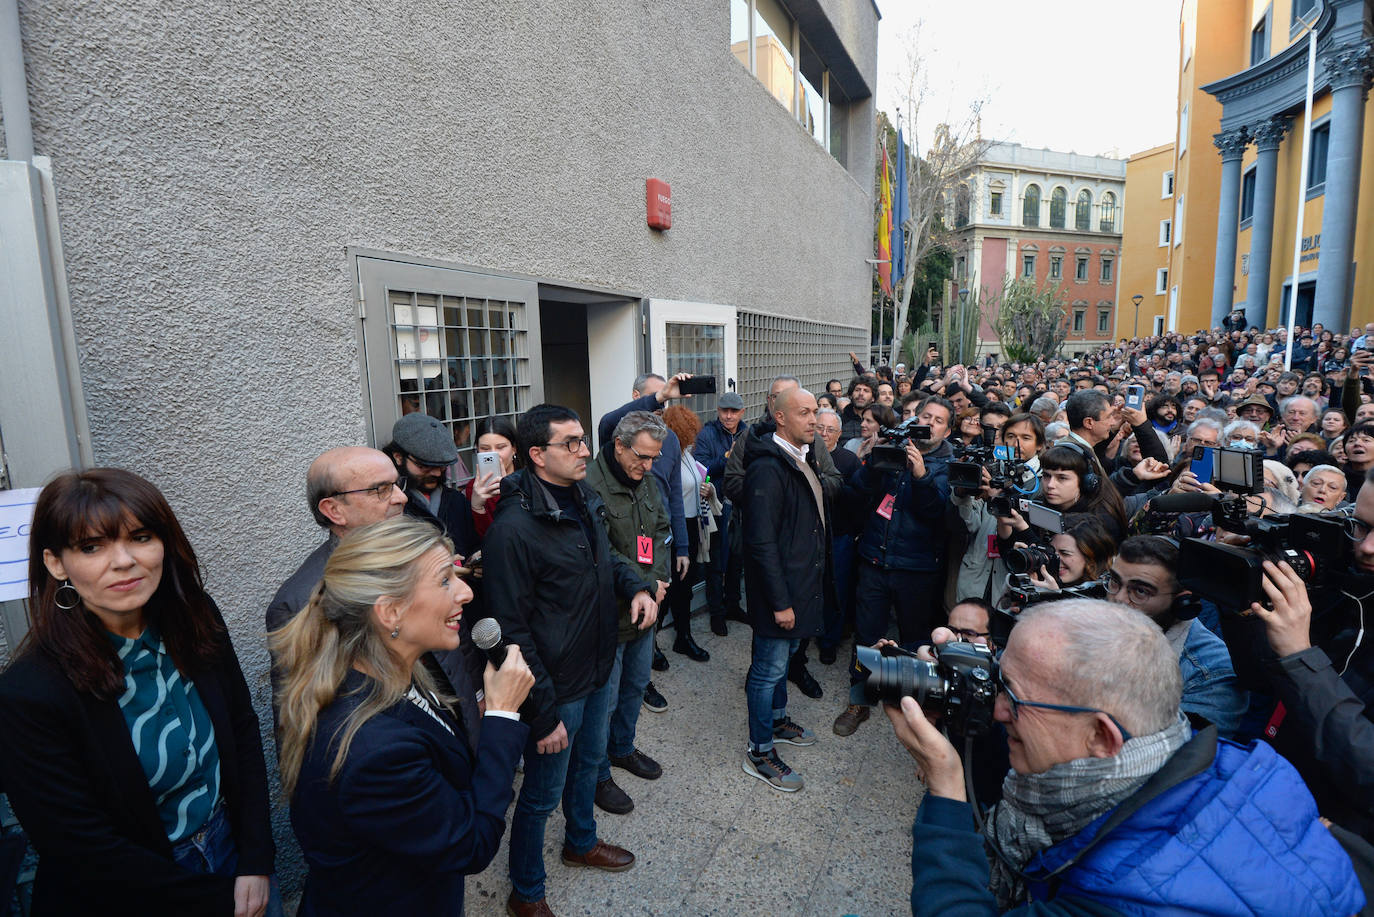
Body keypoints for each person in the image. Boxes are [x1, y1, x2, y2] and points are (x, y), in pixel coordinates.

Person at [890, 599, 1366, 916]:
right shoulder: (1226, 764)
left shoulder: (1124, 895)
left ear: (1102, 736)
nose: (996, 709)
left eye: (1012, 696)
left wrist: (946, 789)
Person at [0, 468, 277, 916]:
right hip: (132, 894)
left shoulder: (195, 618)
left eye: (141, 537)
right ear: (56, 563)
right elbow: (81, 848)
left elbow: (242, 733)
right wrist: (218, 900)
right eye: (92, 547)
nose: (124, 560)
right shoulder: (29, 694)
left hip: (233, 854)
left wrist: (256, 859)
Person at [273, 517, 534, 916]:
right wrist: (501, 714)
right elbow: (471, 844)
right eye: (445, 580)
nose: (465, 592)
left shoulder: (393, 670)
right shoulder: (375, 751)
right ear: (390, 612)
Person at [484, 404, 658, 916]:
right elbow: (510, 631)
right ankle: (527, 892)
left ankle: (581, 841)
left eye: (584, 440)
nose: (585, 451)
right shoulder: (512, 530)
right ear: (536, 455)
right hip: (556, 685)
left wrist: (636, 586)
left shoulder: (583, 496)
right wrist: (542, 712)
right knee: (540, 796)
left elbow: (605, 560)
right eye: (571, 444)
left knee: (589, 767)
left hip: (598, 663)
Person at [834, 395, 955, 738]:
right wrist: (876, 460)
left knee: (915, 639)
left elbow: (937, 513)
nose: (929, 423)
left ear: (947, 430)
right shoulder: (894, 448)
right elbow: (856, 491)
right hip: (875, 558)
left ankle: (913, 706)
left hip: (917, 568)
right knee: (868, 634)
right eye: (925, 415)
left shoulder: (948, 464)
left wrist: (920, 474)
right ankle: (860, 700)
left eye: (938, 420)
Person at [740, 386, 829, 791]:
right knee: (767, 670)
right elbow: (761, 542)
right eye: (804, 412)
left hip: (799, 588)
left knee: (781, 663)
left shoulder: (800, 456)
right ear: (780, 417)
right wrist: (780, 602)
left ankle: (776, 722)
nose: (814, 419)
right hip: (779, 596)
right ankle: (760, 750)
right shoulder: (767, 467)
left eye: (816, 411)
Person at [583, 411, 672, 816]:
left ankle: (622, 748)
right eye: (641, 456)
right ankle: (597, 772)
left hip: (647, 607)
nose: (648, 466)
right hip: (609, 613)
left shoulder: (647, 480)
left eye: (654, 458)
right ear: (618, 445)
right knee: (606, 698)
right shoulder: (589, 484)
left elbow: (660, 532)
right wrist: (643, 584)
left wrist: (659, 581)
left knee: (636, 686)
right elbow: (603, 550)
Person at [1106, 536, 1247, 737]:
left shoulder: (1212, 673)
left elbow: (1179, 755)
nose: (1118, 599)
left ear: (1183, 602)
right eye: (1114, 581)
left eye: (1139, 591)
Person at [384, 413, 479, 559]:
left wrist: (473, 563)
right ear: (398, 457)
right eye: (425, 466)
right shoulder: (390, 506)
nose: (435, 473)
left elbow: (472, 544)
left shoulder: (457, 501)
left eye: (441, 467)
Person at [694, 391, 747, 636]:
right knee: (716, 561)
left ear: (741, 413)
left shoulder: (748, 432)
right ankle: (717, 613)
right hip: (715, 505)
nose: (728, 416)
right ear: (718, 411)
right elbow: (701, 468)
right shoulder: (707, 433)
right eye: (724, 411)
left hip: (740, 504)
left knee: (737, 558)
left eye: (733, 411)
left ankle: (733, 605)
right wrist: (728, 456)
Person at [815, 407, 864, 665]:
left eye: (830, 429)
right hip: (809, 537)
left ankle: (829, 641)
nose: (824, 434)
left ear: (840, 434)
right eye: (819, 428)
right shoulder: (803, 455)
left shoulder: (849, 460)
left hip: (840, 536)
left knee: (836, 589)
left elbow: (859, 501)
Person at [467, 415, 520, 537]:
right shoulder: (474, 488)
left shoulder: (529, 480)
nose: (494, 454)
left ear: (514, 448)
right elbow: (486, 538)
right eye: (485, 448)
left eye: (501, 447)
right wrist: (477, 507)